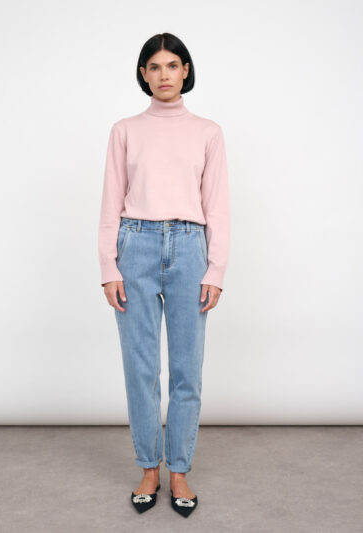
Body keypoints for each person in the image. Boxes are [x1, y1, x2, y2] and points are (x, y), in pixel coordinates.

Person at [98, 32, 230, 517]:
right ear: (143, 75)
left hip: (191, 247)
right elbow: (111, 200)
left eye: (172, 65)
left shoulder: (208, 132)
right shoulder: (125, 130)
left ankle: (179, 470)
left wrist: (216, 269)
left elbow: (217, 205)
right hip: (134, 245)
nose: (164, 75)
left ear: (186, 71)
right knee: (140, 368)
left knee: (186, 369)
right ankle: (148, 468)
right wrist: (108, 266)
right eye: (154, 67)